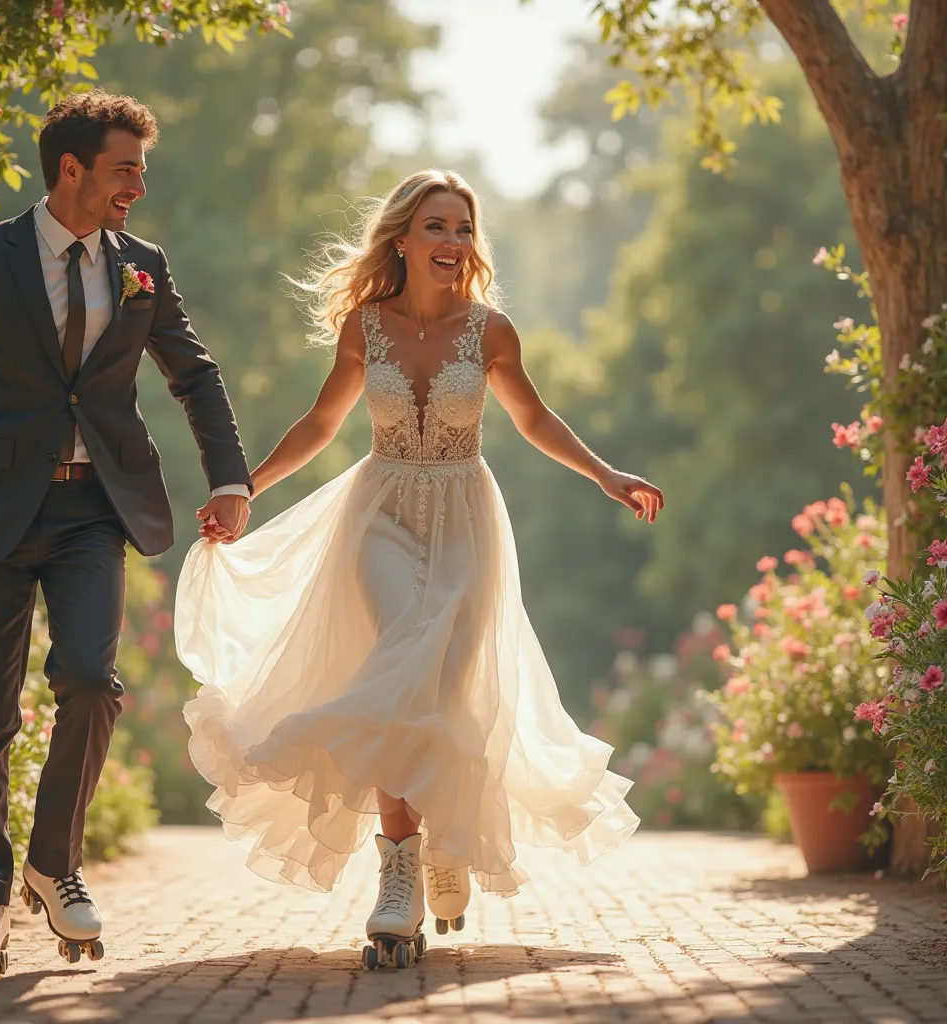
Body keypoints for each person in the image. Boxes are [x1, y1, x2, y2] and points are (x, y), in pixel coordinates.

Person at [176, 169, 663, 968]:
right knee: (401, 657)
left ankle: (443, 847)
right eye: (437, 226)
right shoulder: (366, 328)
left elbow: (534, 417)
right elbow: (322, 421)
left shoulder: (492, 332)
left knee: (441, 689)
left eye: (464, 229)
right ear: (402, 239)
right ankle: (397, 873)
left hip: (468, 519)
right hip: (382, 515)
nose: (453, 242)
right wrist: (244, 488)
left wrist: (608, 475)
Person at [0, 90, 253, 980]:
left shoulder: (141, 264)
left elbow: (195, 372)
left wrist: (230, 477)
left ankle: (53, 864)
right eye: (124, 168)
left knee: (90, 680)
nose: (138, 186)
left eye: (140, 170)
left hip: (91, 509)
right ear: (71, 169)